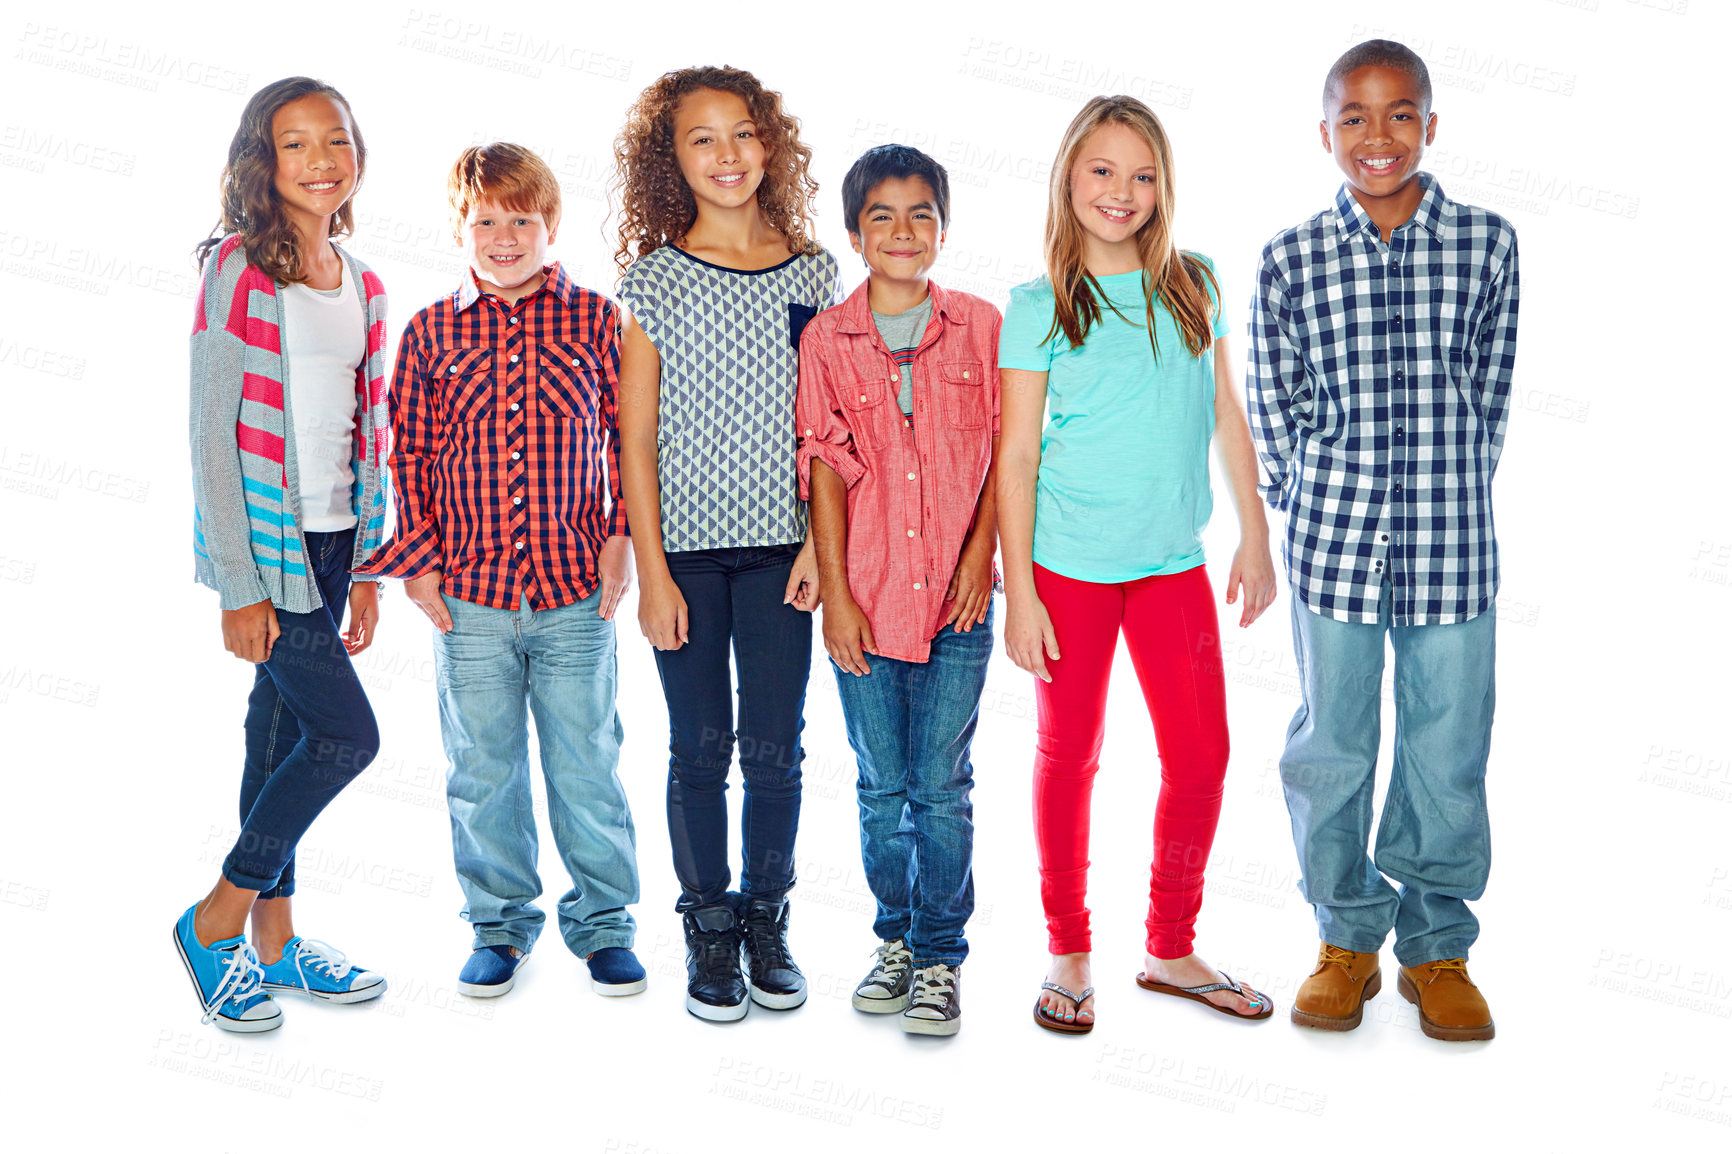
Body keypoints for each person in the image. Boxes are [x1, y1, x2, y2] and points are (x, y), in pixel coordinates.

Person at [1248, 40, 1518, 1042]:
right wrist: (1304, 497)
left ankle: (1437, 943)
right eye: (1353, 117)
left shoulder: (1487, 243)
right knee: (1330, 747)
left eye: (1399, 113)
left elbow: (1486, 397)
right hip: (1333, 543)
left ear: (1430, 125)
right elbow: (1270, 401)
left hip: (1452, 543)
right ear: (1325, 133)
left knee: (1448, 749)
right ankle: (1345, 935)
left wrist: (1449, 487)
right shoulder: (1290, 257)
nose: (1377, 136)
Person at [998, 94, 1278, 1035]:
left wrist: (1255, 531)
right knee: (1067, 757)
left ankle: (1168, 947)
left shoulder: (1194, 282)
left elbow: (1226, 416)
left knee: (1201, 755)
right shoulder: (1038, 307)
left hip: (1172, 568)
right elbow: (1020, 458)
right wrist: (1020, 593)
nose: (1122, 192)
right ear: (1068, 181)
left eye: (1142, 174)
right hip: (1068, 572)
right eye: (1102, 171)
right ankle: (1069, 947)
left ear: (1165, 188)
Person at [357, 143, 644, 1000]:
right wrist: (414, 564)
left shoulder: (598, 320)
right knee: (482, 769)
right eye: (487, 220)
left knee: (586, 762)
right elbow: (403, 449)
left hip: (572, 594)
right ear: (460, 227)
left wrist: (622, 537)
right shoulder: (430, 331)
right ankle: (499, 926)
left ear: (550, 224)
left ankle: (602, 924)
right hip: (469, 598)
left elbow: (632, 446)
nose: (506, 235)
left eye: (523, 219)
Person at [613, 66, 840, 1021]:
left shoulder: (814, 271)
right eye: (702, 139)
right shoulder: (654, 280)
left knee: (778, 749)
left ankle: (765, 919)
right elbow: (634, 439)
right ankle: (708, 925)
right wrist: (652, 573)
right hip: (690, 563)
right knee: (700, 750)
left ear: (769, 144)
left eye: (743, 133)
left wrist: (819, 551)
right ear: (672, 160)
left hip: (784, 550)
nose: (728, 155)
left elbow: (832, 424)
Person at [176, 76, 389, 1031]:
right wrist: (237, 581)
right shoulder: (236, 269)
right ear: (263, 162)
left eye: (334, 141)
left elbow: (363, 428)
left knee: (279, 732)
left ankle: (276, 943)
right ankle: (214, 921)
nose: (318, 162)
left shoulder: (366, 282)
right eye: (294, 145)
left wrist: (372, 569)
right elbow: (209, 432)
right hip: (271, 543)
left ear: (356, 154)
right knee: (347, 738)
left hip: (340, 537)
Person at [796, 144, 1001, 1036]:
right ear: (854, 234)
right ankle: (897, 941)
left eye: (921, 213)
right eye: (882, 215)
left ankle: (941, 957)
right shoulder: (827, 339)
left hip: (958, 603)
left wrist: (978, 560)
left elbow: (1007, 456)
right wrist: (837, 594)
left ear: (943, 228)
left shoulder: (983, 327)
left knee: (940, 784)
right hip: (867, 599)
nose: (903, 230)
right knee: (881, 785)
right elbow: (824, 468)